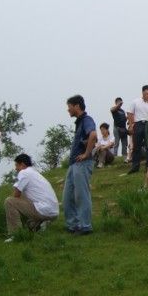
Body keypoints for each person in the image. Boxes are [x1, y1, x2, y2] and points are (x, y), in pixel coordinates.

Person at [4, 154, 59, 242]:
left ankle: (15, 234)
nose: (16, 169)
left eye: (16, 165)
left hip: (43, 210)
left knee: (9, 201)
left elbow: (16, 194)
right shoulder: (35, 173)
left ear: (22, 165)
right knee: (30, 224)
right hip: (53, 212)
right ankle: (42, 223)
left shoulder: (24, 172)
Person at [63, 95, 97, 235]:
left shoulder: (87, 120)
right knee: (68, 196)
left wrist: (87, 154)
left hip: (82, 164)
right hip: (73, 164)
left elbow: (93, 135)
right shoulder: (79, 122)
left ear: (77, 106)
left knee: (81, 195)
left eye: (69, 106)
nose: (68, 109)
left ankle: (85, 226)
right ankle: (73, 225)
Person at [127, 85, 148, 174]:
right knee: (136, 146)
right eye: (146, 93)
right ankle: (135, 166)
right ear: (143, 93)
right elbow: (129, 113)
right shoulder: (135, 102)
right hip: (138, 124)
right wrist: (131, 125)